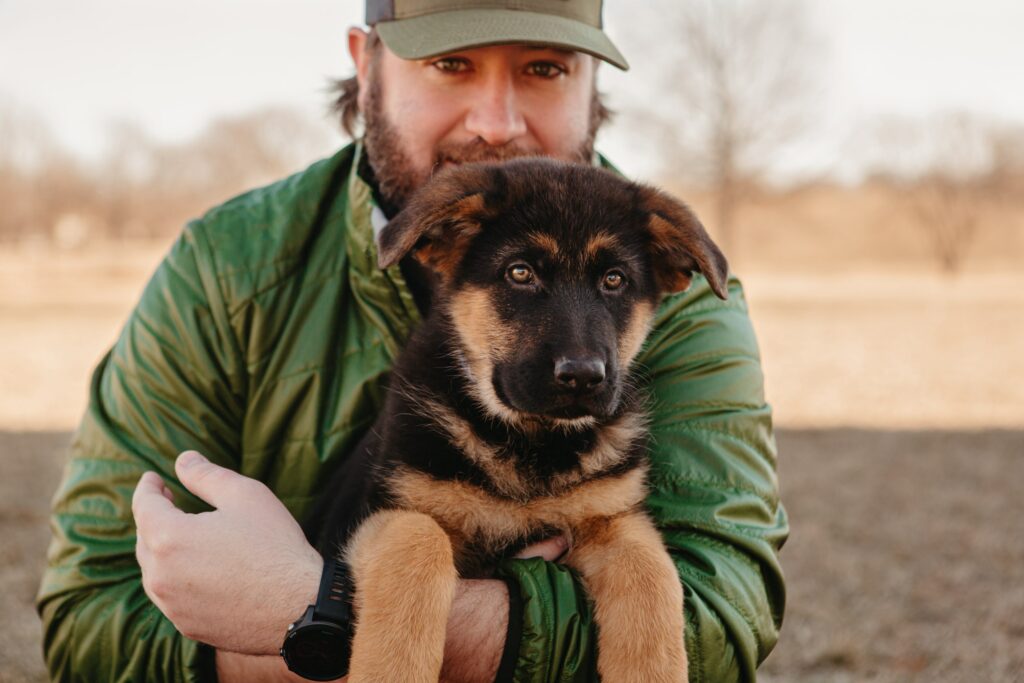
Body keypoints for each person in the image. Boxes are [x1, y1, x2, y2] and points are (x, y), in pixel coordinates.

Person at [36, 1, 788, 681]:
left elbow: (724, 620)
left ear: (593, 83)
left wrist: (314, 607)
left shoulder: (670, 275)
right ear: (366, 65)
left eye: (546, 68)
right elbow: (91, 619)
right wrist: (300, 639)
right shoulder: (227, 268)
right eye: (449, 64)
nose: (496, 123)